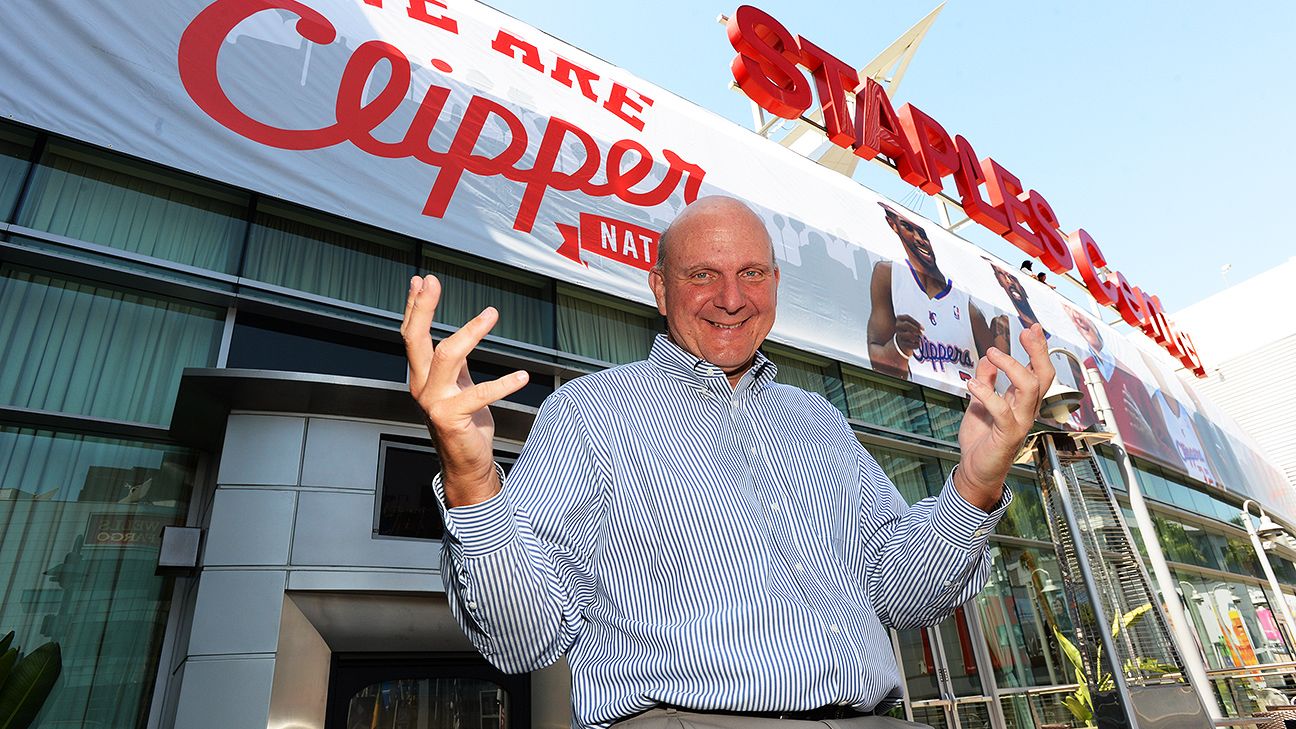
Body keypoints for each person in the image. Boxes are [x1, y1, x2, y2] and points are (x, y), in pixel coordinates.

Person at [401, 196, 1054, 729]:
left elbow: (902, 593)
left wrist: (976, 481)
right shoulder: (589, 413)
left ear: (776, 283)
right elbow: (521, 638)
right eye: (702, 275)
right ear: (660, 289)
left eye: (752, 273)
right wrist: (472, 479)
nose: (732, 298)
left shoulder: (819, 419)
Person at [867, 203, 1009, 381]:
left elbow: (997, 376)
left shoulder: (964, 302)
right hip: (921, 396)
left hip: (967, 397)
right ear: (892, 224)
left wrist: (1003, 346)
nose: (919, 238)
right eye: (908, 228)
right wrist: (899, 346)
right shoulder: (888, 273)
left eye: (923, 233)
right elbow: (876, 360)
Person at [1062, 304, 1177, 465]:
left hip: (1147, 469)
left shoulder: (1131, 376)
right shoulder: (1083, 372)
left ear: (1093, 323)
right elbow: (1084, 431)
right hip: (1111, 465)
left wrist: (1152, 440)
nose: (1078, 320)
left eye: (1079, 315)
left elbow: (1173, 457)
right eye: (1072, 317)